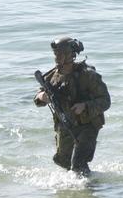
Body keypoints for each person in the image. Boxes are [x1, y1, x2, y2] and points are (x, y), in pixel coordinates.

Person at [34, 37, 110, 175]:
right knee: (64, 162)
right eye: (55, 54)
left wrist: (85, 106)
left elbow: (105, 101)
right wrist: (41, 97)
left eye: (61, 54)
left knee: (78, 165)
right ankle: (79, 191)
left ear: (71, 55)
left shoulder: (88, 75)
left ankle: (89, 192)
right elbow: (38, 98)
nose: (57, 58)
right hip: (65, 125)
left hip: (88, 125)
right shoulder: (52, 77)